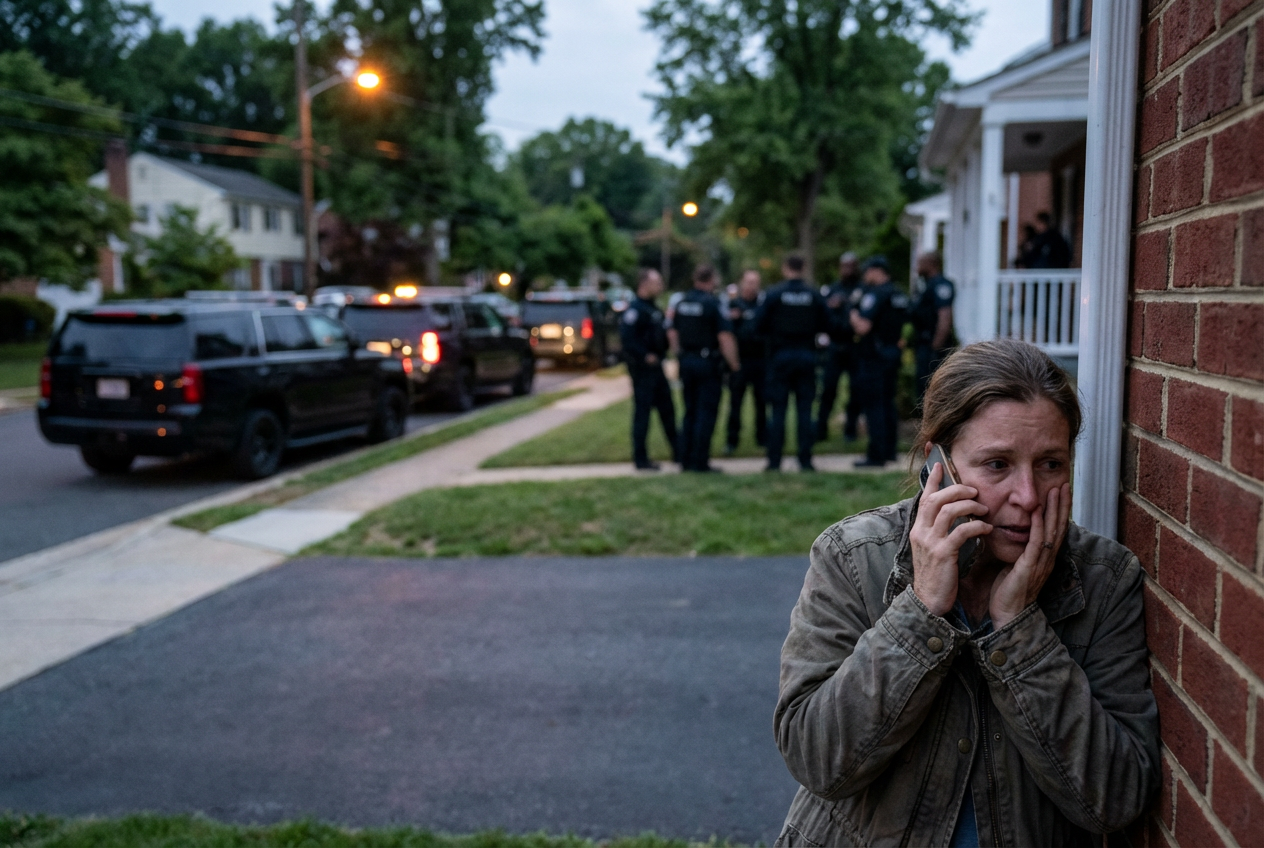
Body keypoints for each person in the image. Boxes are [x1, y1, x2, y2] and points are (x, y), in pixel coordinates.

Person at [773, 339, 1159, 847]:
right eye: (996, 464)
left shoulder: (1104, 580)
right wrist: (920, 612)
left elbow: (1114, 798)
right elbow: (818, 760)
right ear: (940, 462)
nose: (1026, 496)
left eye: (1051, 464)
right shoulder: (853, 557)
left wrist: (1018, 630)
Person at [754, 253, 831, 472]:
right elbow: (829, 324)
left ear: (785, 268)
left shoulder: (774, 294)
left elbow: (757, 325)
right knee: (805, 410)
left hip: (780, 356)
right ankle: (805, 460)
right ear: (803, 268)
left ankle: (774, 460)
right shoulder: (813, 295)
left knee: (778, 410)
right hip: (806, 355)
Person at [668, 264, 740, 472]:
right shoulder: (713, 304)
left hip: (687, 361)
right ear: (712, 279)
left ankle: (685, 458)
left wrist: (678, 354)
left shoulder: (682, 303)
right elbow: (725, 336)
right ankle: (700, 461)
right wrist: (734, 364)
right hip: (707, 363)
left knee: (689, 411)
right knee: (705, 412)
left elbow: (672, 332)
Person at [850, 256, 908, 468]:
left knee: (874, 405)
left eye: (868, 271)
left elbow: (862, 327)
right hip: (892, 352)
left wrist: (853, 313)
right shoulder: (898, 293)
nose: (866, 276)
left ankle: (876, 455)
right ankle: (890, 450)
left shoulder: (877, 294)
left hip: (875, 355)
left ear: (877, 271)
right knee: (887, 403)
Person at [620, 268, 678, 471]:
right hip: (643, 370)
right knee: (643, 414)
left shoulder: (653, 308)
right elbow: (627, 340)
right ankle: (641, 459)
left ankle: (679, 452)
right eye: (657, 282)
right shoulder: (635, 310)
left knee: (668, 411)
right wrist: (645, 356)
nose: (660, 286)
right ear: (644, 284)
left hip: (657, 368)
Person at [816, 252, 863, 442]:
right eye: (845, 266)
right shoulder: (831, 290)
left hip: (855, 346)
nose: (848, 270)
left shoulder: (862, 289)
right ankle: (820, 429)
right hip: (835, 346)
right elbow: (823, 315)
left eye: (851, 266)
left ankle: (850, 429)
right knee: (828, 389)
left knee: (856, 390)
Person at [725, 269, 767, 454]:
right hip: (739, 361)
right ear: (742, 283)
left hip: (759, 361)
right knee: (735, 403)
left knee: (762, 402)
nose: (752, 286)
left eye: (755, 282)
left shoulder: (763, 305)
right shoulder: (733, 305)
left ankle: (763, 437)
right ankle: (732, 440)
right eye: (749, 282)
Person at [910, 250, 955, 405]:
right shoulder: (927, 285)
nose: (917, 268)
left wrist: (935, 350)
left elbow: (944, 318)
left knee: (933, 393)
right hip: (925, 344)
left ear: (930, 264)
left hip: (933, 347)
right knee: (922, 391)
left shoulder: (941, 285)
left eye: (920, 264)